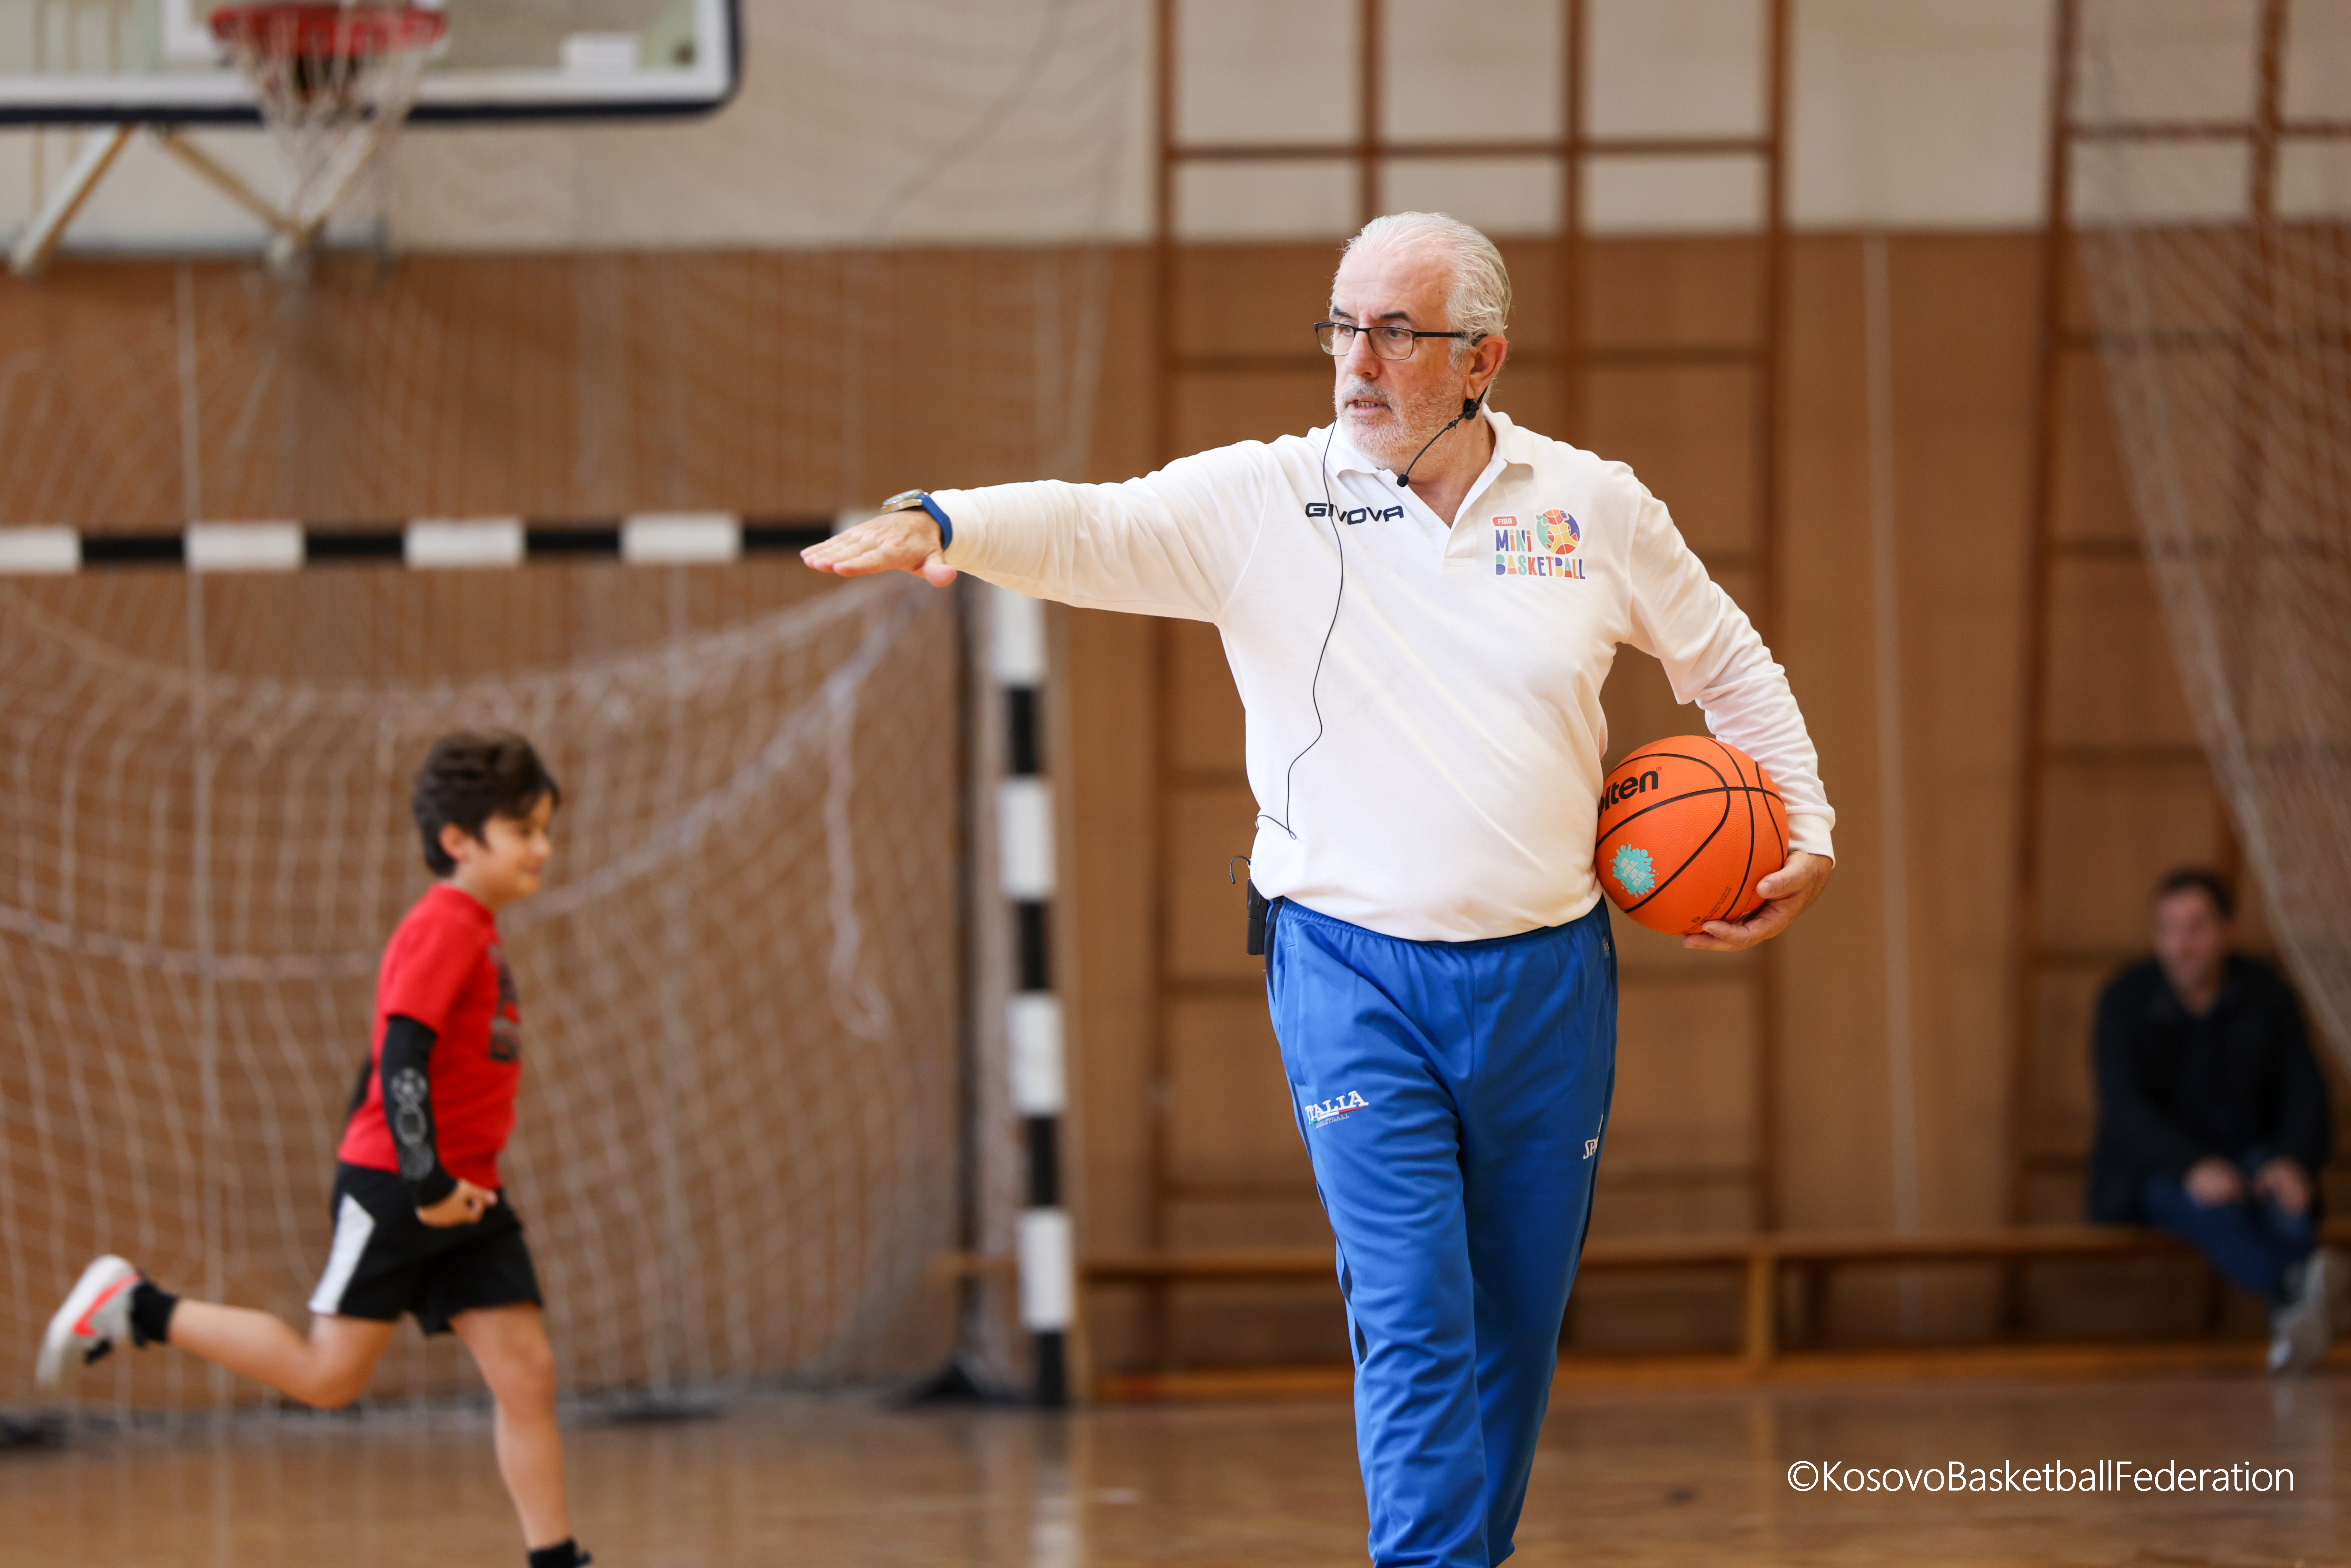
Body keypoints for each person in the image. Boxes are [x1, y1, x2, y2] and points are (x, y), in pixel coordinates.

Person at [805, 211, 1836, 1568]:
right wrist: (942, 515)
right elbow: (1097, 524)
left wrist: (1804, 830)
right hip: (1351, 972)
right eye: (1342, 325)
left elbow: (1730, 669)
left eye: (1396, 331)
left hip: (1548, 980)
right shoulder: (1267, 502)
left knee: (1513, 1325)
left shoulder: (1595, 505)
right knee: (1414, 1309)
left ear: (1481, 359)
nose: (1358, 358)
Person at [36, 731, 591, 1568]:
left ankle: (557, 1559)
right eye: (525, 831)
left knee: (527, 1372)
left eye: (546, 830)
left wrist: (450, 1184)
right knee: (328, 1376)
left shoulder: (477, 932)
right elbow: (401, 1058)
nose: (543, 849)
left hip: (467, 1196)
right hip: (408, 1191)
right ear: (458, 840)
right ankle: (137, 1306)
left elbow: (386, 1062)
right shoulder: (443, 926)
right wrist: (425, 1180)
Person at [2087, 867, 2340, 1375]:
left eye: (2196, 928)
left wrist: (2293, 1159)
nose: (2181, 945)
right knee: (2208, 1204)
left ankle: (2293, 1323)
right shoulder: (2125, 1000)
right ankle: (2297, 1287)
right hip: (2156, 1170)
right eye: (2168, 929)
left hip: (2252, 1156)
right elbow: (2124, 1112)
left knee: (2288, 1203)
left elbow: (2306, 1092)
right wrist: (2190, 1165)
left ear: (2229, 931)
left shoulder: (2268, 994)